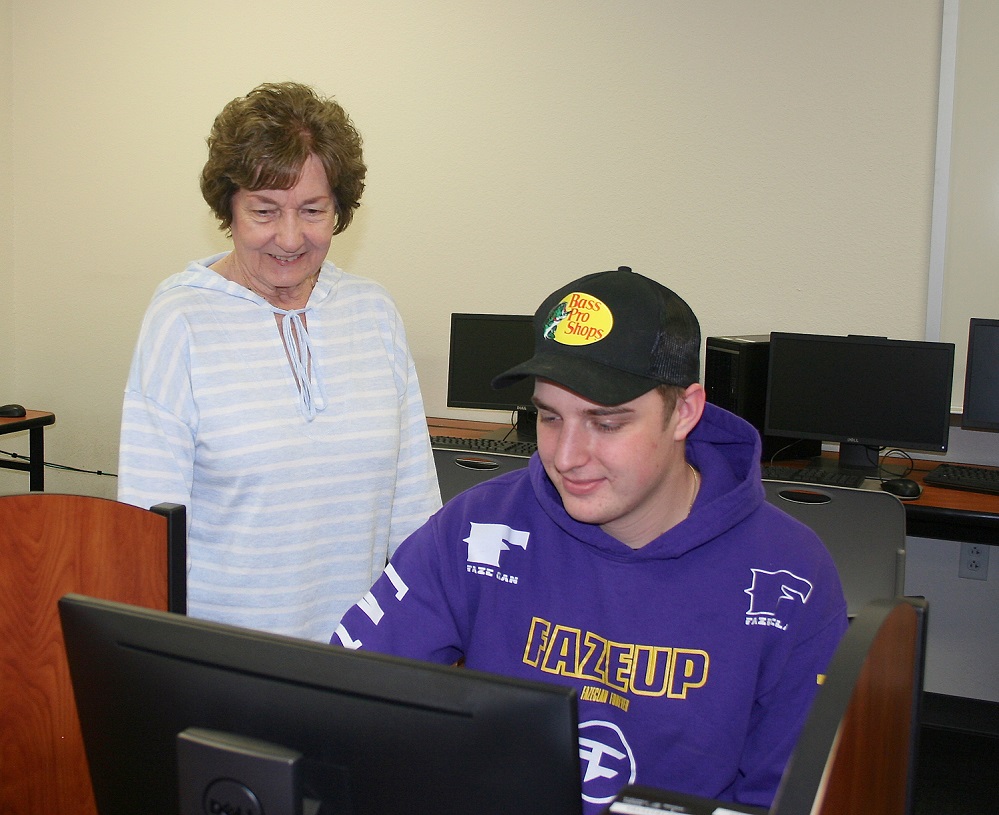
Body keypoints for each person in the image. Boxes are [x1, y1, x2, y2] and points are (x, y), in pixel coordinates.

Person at [333, 267, 848, 813]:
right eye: (550, 417)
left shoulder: (789, 575)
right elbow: (346, 696)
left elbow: (790, 795)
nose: (565, 456)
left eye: (605, 423)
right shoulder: (480, 527)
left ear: (685, 412)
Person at [118, 82, 441, 641]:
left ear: (339, 208)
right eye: (264, 211)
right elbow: (147, 534)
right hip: (227, 662)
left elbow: (414, 506)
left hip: (359, 657)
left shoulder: (373, 312)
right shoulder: (181, 319)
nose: (290, 238)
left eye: (312, 210)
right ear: (230, 208)